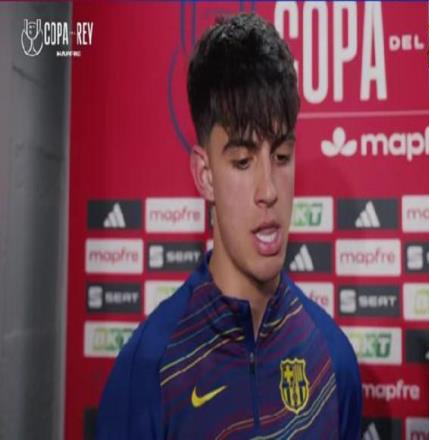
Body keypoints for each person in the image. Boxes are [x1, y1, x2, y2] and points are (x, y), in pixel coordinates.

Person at [96, 12, 361, 439]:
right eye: (242, 162)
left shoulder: (333, 361)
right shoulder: (147, 371)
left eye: (281, 157)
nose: (268, 190)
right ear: (205, 175)